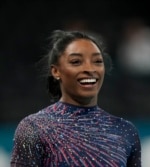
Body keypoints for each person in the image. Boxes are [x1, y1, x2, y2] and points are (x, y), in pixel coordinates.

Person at [10, 30, 141, 167]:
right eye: (76, 61)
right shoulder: (34, 128)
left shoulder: (125, 130)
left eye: (97, 61)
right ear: (56, 71)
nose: (90, 69)